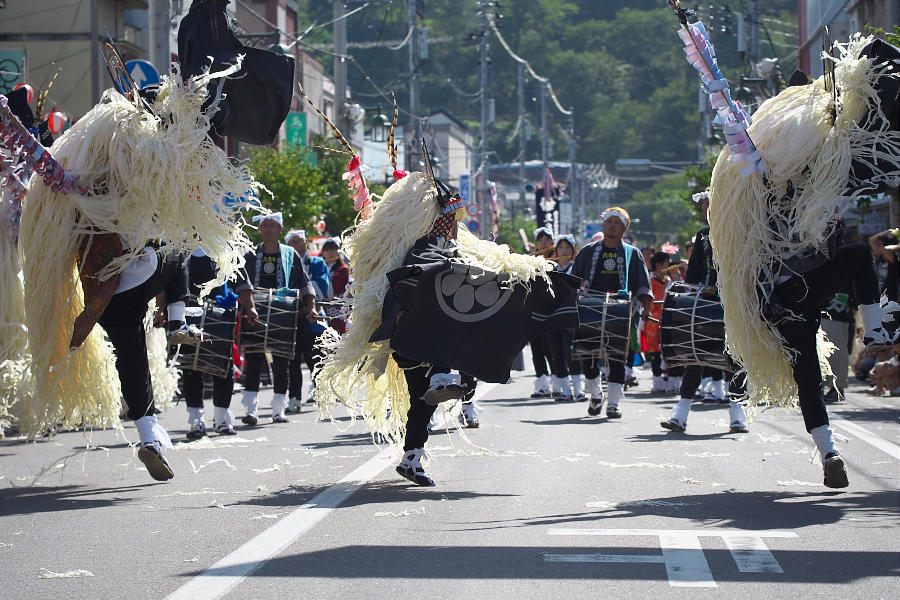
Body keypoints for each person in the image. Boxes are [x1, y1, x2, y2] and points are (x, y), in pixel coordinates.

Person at [660, 191, 749, 435]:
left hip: (734, 304)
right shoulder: (702, 235)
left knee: (737, 358)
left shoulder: (741, 228)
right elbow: (694, 273)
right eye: (705, 205)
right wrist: (691, 294)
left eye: (711, 203)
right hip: (705, 304)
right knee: (696, 357)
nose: (706, 209)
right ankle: (680, 415)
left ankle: (738, 414)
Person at [572, 207, 652, 419]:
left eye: (617, 222)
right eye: (609, 222)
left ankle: (614, 403)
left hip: (621, 311)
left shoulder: (632, 253)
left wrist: (647, 307)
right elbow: (572, 281)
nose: (613, 225)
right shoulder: (588, 252)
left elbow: (642, 283)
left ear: (624, 227)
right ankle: (596, 394)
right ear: (603, 225)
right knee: (588, 355)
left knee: (617, 357)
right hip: (591, 308)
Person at [241, 213, 316, 425]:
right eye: (265, 225)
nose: (269, 229)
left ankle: (278, 409)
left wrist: (310, 306)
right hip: (256, 313)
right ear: (259, 229)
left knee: (282, 362)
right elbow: (242, 284)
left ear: (280, 230)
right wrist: (248, 306)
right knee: (254, 362)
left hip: (284, 315)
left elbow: (304, 282)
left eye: (273, 225)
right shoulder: (251, 255)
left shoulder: (290, 254)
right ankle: (251, 410)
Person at [182, 248, 258, 439]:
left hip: (221, 317)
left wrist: (251, 308)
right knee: (191, 368)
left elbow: (242, 283)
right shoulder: (182, 249)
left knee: (224, 368)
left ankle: (221, 419)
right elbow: (168, 283)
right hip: (189, 316)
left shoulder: (225, 249)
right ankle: (196, 421)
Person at [285, 228, 331, 405]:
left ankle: (320, 392)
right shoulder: (285, 263)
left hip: (313, 317)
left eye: (300, 240)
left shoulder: (317, 262)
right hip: (292, 318)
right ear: (288, 245)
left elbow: (321, 288)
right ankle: (294, 397)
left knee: (316, 357)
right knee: (293, 360)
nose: (298, 244)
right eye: (293, 241)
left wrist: (305, 300)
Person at [546, 234, 585, 401]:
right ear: (555, 250)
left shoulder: (576, 269)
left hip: (571, 316)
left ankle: (579, 389)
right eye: (560, 247)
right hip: (552, 317)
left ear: (573, 251)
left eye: (567, 247)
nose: (563, 250)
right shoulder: (549, 268)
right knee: (556, 354)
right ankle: (564, 390)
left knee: (572, 353)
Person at [528, 227, 556, 398]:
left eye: (547, 239)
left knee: (552, 350)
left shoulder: (558, 260)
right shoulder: (529, 261)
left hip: (553, 311)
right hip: (533, 311)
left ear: (553, 243)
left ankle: (558, 382)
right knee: (537, 350)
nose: (544, 242)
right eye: (540, 239)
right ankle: (542, 385)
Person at [646, 251, 671, 393]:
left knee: (667, 349)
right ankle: (656, 379)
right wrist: (664, 287)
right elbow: (654, 300)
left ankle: (666, 378)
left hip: (667, 319)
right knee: (655, 352)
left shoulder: (668, 280)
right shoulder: (650, 281)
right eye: (666, 264)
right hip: (653, 320)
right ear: (658, 265)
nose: (668, 267)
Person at [320, 237, 350, 334]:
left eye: (333, 249)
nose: (330, 252)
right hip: (320, 307)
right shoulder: (318, 268)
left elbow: (341, 289)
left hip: (336, 309)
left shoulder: (343, 270)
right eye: (327, 249)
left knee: (336, 336)